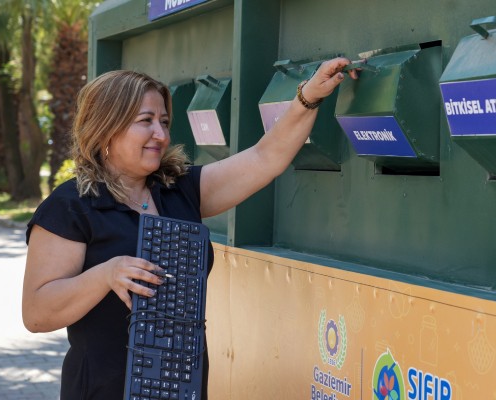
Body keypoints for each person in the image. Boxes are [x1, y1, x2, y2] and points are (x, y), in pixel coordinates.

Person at [22, 57, 358, 399]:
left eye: (164, 122)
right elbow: (36, 314)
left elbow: (265, 158)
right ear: (107, 128)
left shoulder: (180, 188)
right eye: (146, 121)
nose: (161, 134)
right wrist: (106, 274)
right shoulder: (71, 205)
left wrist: (308, 97)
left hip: (181, 386)